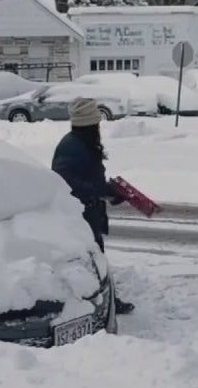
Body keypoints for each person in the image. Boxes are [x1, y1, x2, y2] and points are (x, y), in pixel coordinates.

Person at [51, 97, 135, 315]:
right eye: (96, 124)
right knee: (93, 263)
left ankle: (106, 302)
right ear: (89, 125)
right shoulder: (72, 147)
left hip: (89, 211)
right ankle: (101, 305)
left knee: (97, 260)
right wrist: (100, 192)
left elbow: (89, 180)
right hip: (81, 215)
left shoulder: (82, 144)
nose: (99, 128)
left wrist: (109, 192)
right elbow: (65, 182)